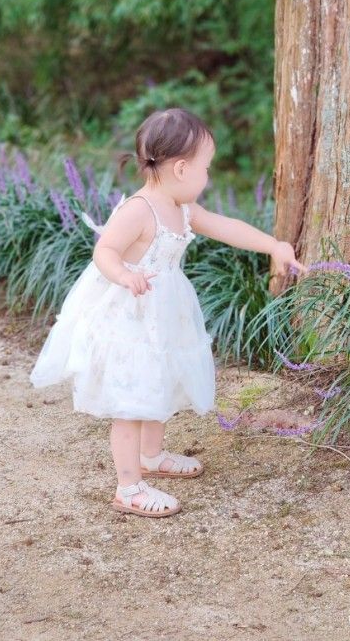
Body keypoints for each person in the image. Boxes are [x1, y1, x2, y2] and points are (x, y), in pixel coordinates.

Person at [29, 106, 306, 518]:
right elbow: (104, 250)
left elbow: (226, 226)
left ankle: (152, 455)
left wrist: (274, 245)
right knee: (131, 397)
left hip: (165, 312)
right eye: (206, 168)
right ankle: (128, 487)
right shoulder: (139, 210)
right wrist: (123, 274)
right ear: (180, 169)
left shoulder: (183, 208)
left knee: (158, 383)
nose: (208, 176)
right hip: (132, 317)